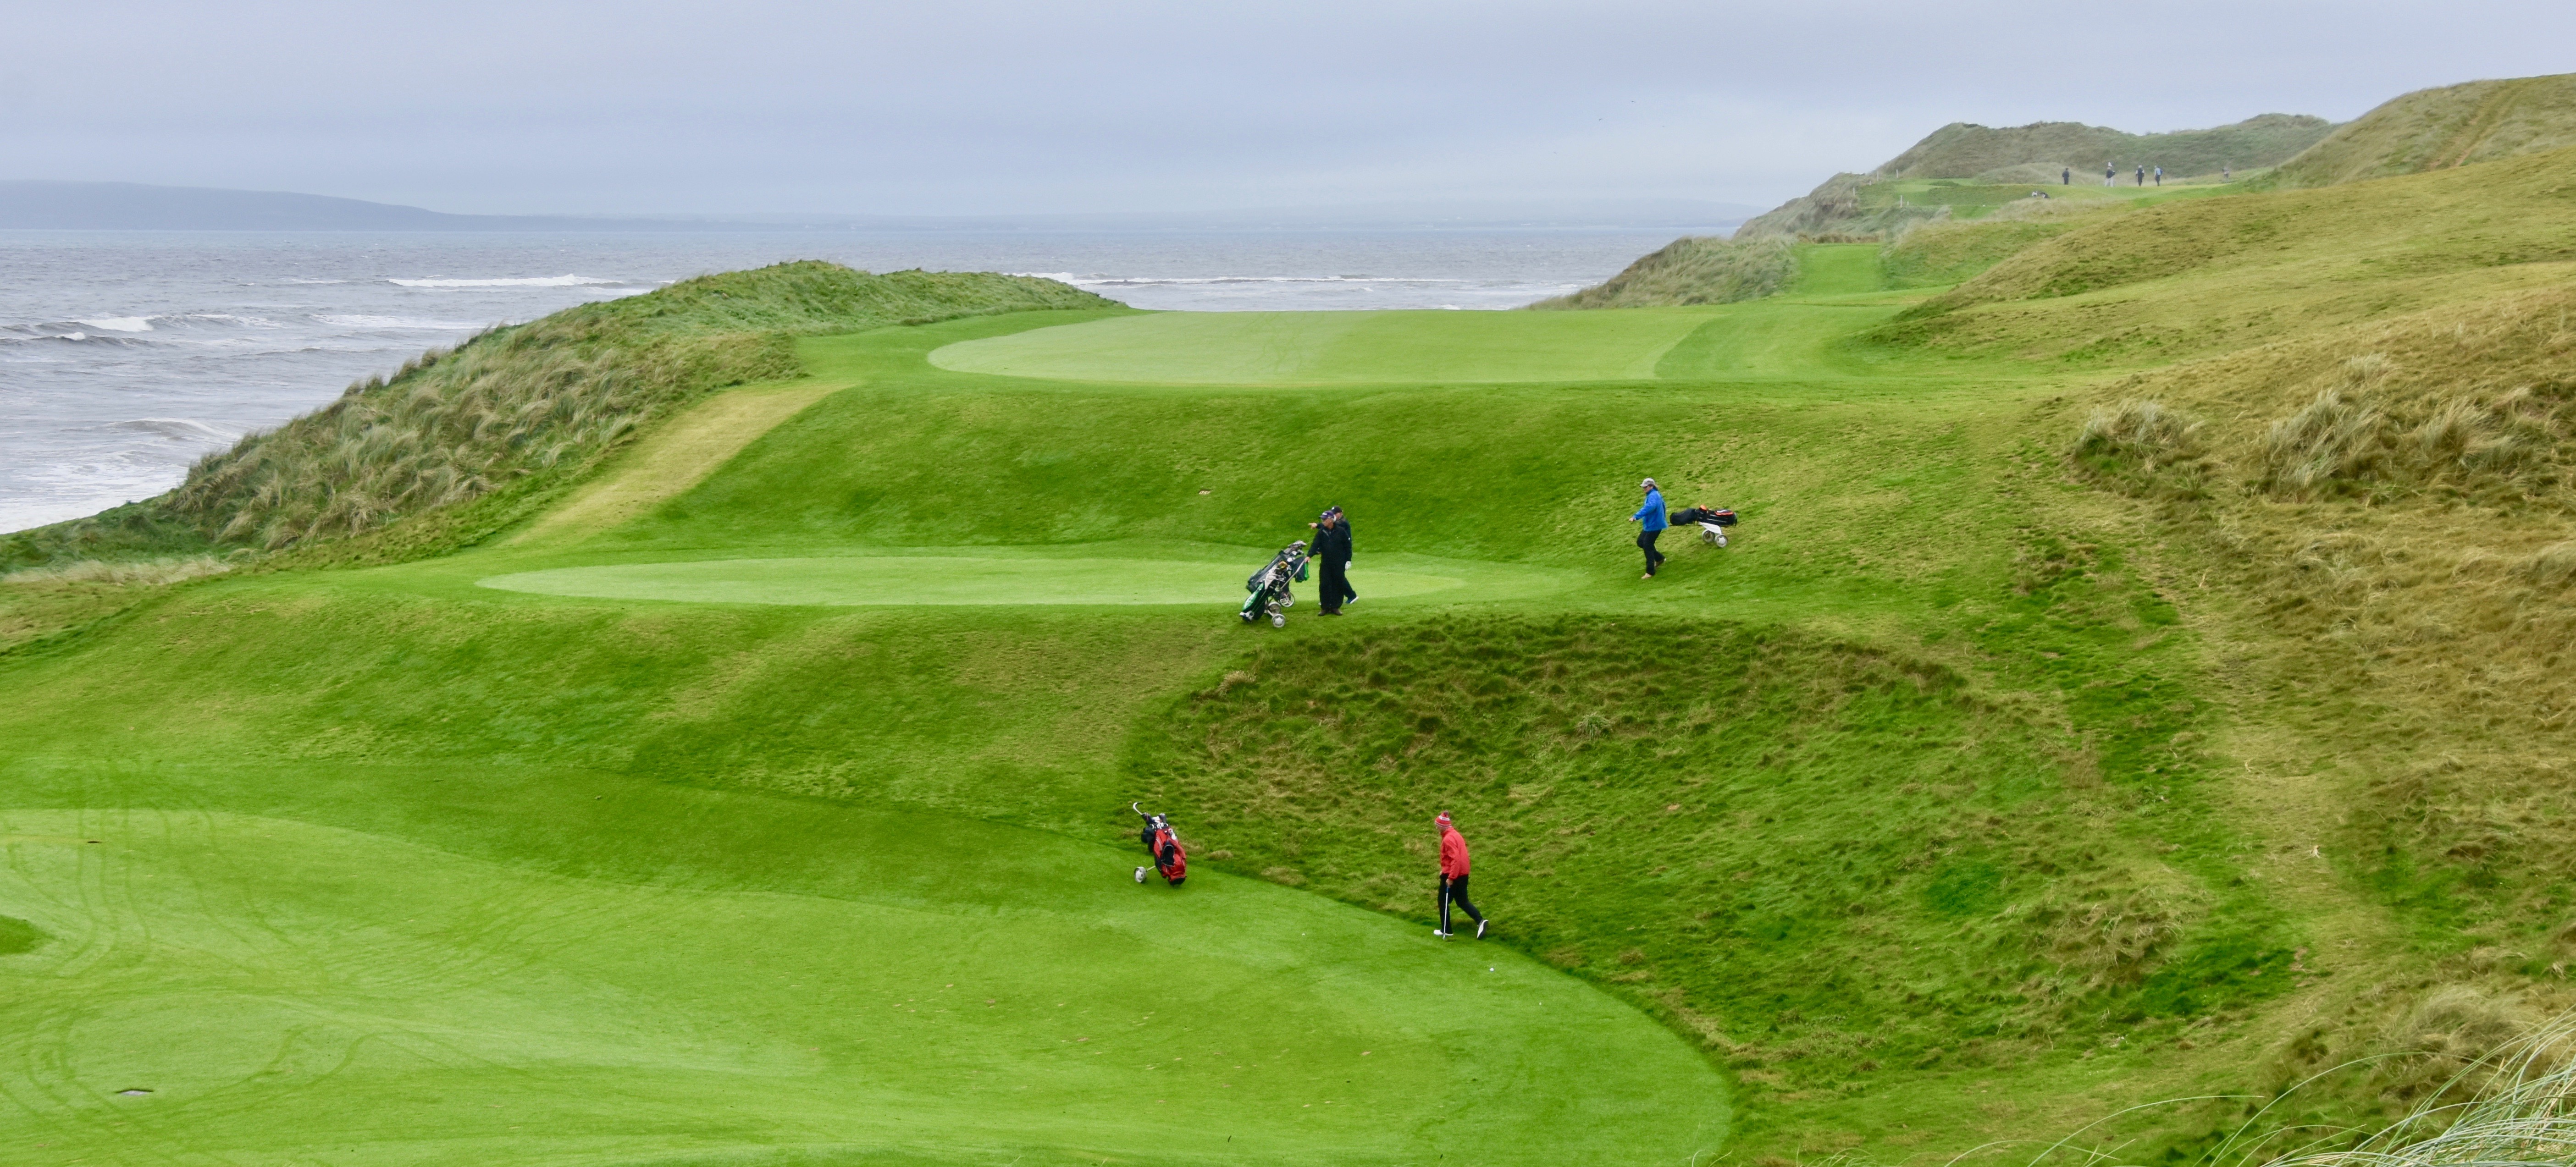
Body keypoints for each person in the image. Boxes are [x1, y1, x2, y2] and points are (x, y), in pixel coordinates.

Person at [1434, 811, 1486, 939]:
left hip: (1455, 875)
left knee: (1443, 901)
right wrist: (1445, 869)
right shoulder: (1455, 834)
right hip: (1463, 874)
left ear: (1443, 826)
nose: (1436, 828)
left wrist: (1451, 878)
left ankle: (1446, 930)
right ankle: (1480, 921)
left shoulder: (1448, 839)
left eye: (1438, 825)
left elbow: (1456, 859)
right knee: (1462, 901)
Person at [1308, 506, 1354, 615]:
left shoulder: (1341, 531)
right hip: (1326, 563)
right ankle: (1325, 607)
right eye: (1322, 520)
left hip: (1339, 563)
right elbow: (1315, 544)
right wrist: (1309, 556)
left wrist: (1348, 560)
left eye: (1325, 520)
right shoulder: (1322, 532)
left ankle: (1335, 607)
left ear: (1331, 520)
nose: (1323, 521)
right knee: (1324, 584)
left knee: (1338, 584)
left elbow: (1348, 546)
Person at [1629, 477, 1667, 579]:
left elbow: (1649, 508)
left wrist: (1636, 516)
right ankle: (1660, 558)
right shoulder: (1653, 495)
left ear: (1651, 487)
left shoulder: (1653, 496)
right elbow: (1663, 506)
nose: (1644, 489)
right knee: (1641, 542)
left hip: (1654, 526)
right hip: (1651, 525)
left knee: (1647, 546)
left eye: (1645, 487)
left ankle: (1650, 572)